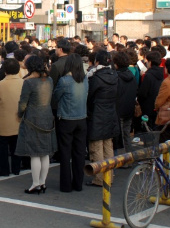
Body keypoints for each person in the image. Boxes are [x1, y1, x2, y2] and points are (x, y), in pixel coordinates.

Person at [16, 55, 56, 194]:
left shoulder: (28, 83)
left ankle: (35, 183)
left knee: (34, 153)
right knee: (45, 153)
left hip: (32, 118)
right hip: (47, 115)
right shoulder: (49, 80)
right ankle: (42, 182)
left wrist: (19, 114)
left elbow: (22, 103)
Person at [53, 53, 88, 193]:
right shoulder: (85, 79)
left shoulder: (64, 80)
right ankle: (78, 183)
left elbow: (55, 96)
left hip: (66, 119)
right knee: (79, 153)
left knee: (65, 153)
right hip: (82, 118)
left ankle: (66, 185)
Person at [86, 50, 119, 187]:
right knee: (108, 146)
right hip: (111, 112)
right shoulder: (115, 76)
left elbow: (90, 97)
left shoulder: (95, 78)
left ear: (96, 62)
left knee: (96, 147)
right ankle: (109, 176)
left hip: (97, 114)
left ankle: (99, 178)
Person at [0, 58, 23, 177]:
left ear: (5, 70)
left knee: (3, 147)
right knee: (16, 146)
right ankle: (16, 168)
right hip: (18, 119)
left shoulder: (1, 84)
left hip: (4, 120)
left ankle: (4, 169)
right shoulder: (23, 82)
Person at [113, 50, 137, 151]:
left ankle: (123, 160)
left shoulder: (116, 77)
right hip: (129, 109)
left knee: (119, 137)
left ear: (116, 64)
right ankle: (130, 159)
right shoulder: (132, 76)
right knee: (127, 135)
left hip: (119, 110)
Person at [137, 51, 164, 128]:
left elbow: (143, 93)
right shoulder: (163, 73)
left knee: (147, 128)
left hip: (148, 107)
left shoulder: (149, 75)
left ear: (150, 62)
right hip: (159, 106)